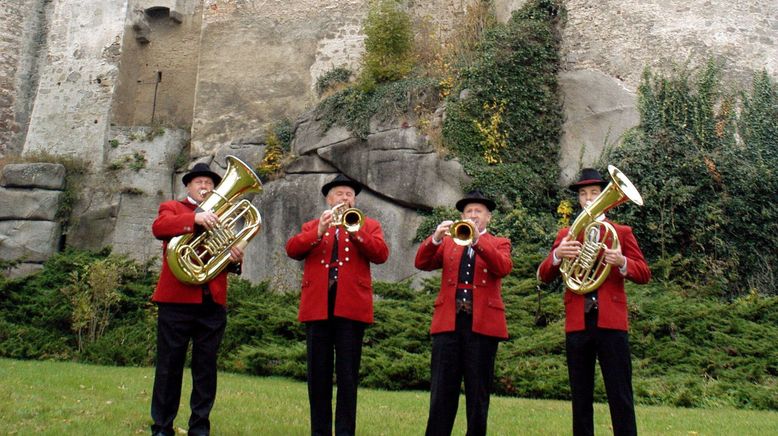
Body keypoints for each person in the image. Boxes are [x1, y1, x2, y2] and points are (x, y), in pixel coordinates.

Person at [536, 168, 651, 436]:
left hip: (611, 323)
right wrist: (557, 256)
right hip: (578, 323)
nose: (589, 199)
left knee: (620, 393)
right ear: (578, 199)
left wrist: (621, 261)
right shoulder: (568, 233)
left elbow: (644, 273)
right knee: (580, 395)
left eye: (594, 194)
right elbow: (543, 275)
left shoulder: (621, 232)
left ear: (604, 196)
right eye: (584, 194)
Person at [285, 173, 389, 436]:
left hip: (351, 308)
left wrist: (356, 231)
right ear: (328, 198)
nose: (345, 198)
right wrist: (319, 231)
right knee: (317, 377)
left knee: (347, 376)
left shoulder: (368, 225)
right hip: (317, 308)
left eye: (349, 195)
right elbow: (292, 249)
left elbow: (380, 254)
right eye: (340, 194)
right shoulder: (313, 224)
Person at [149, 162, 245, 436]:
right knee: (169, 367)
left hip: (211, 303)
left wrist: (234, 259)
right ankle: (162, 427)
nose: (205, 187)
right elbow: (160, 228)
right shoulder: (173, 208)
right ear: (189, 186)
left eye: (209, 183)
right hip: (176, 301)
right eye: (199, 182)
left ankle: (200, 427)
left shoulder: (224, 215)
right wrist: (194, 219)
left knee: (206, 369)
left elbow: (222, 258)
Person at [415, 190, 513, 436]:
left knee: (477, 394)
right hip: (448, 323)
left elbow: (502, 267)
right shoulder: (450, 240)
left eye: (478, 211)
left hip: (482, 326)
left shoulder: (500, 242)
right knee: (441, 392)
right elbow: (421, 263)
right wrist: (436, 238)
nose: (473, 216)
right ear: (461, 215)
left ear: (488, 217)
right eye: (468, 211)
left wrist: (478, 240)